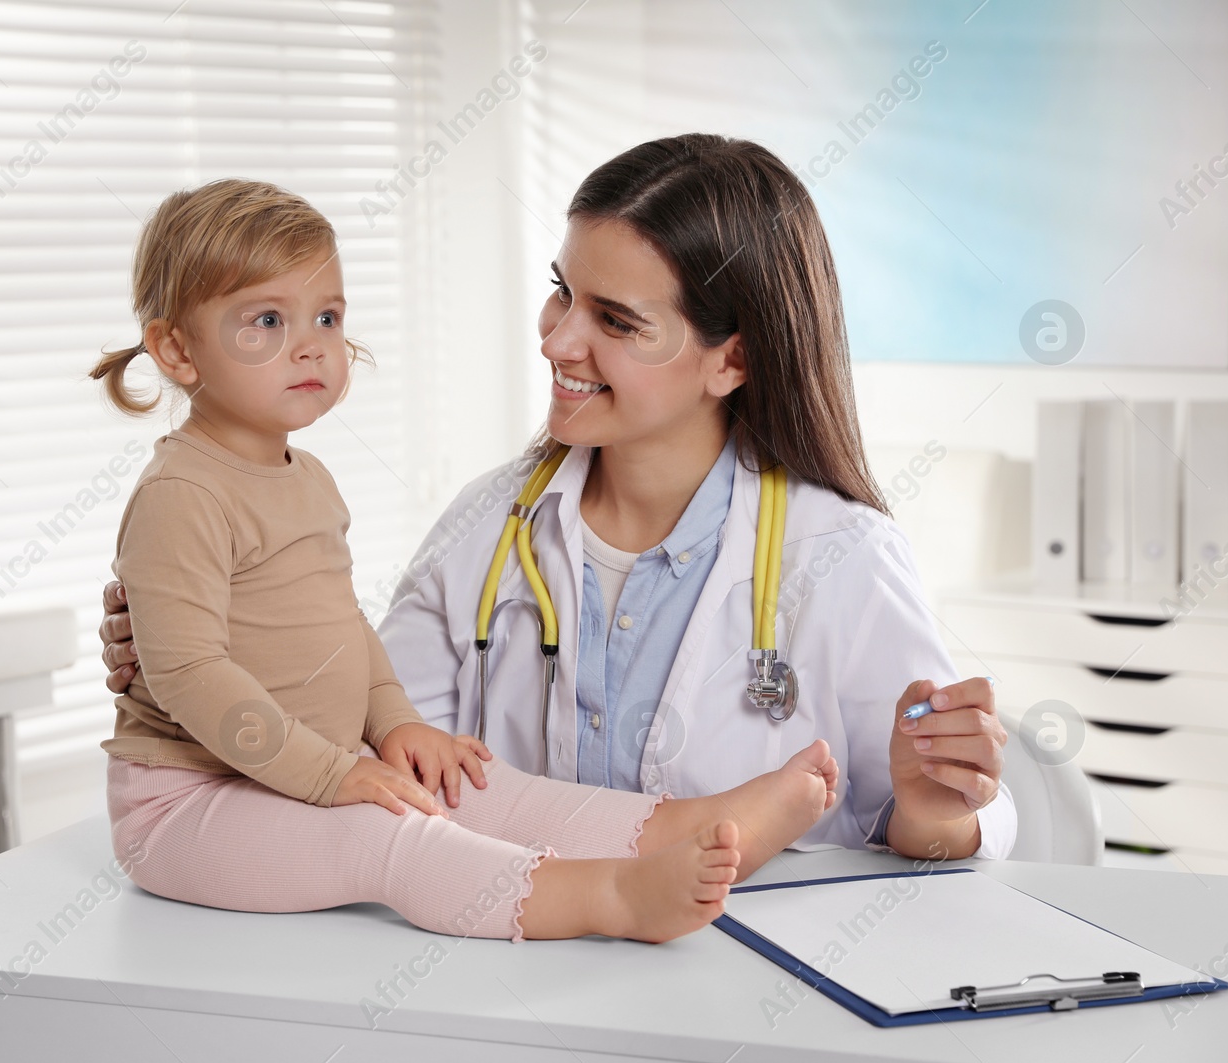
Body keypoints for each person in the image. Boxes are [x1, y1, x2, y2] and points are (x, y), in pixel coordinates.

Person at [100, 135, 1016, 865]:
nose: (559, 341)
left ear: (731, 359)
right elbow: (378, 750)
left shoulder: (842, 555)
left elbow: (942, 823)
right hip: (521, 980)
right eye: (561, 294)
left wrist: (940, 815)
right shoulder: (484, 527)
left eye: (615, 321)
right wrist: (212, 636)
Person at [85, 176, 842, 946]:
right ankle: (609, 895)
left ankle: (698, 823)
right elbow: (188, 674)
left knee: (476, 785)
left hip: (301, 771)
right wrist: (335, 775)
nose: (311, 343)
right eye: (268, 321)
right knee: (387, 836)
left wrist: (396, 725)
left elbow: (345, 630)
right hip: (188, 801)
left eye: (327, 316)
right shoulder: (181, 493)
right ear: (178, 348)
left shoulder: (305, 479)